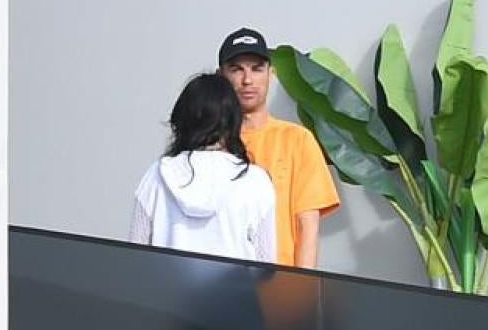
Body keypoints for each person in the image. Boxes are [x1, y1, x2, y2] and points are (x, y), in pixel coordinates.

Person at [218, 27, 340, 268]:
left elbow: (307, 225)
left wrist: (302, 285)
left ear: (270, 73)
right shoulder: (211, 144)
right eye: (236, 69)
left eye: (257, 69)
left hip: (280, 280)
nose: (247, 80)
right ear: (220, 76)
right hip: (220, 279)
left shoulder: (297, 140)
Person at [129, 72, 277, 263]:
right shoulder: (255, 181)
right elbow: (265, 263)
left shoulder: (157, 175)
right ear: (233, 121)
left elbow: (135, 255)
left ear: (182, 120)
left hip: (167, 282)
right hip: (235, 283)